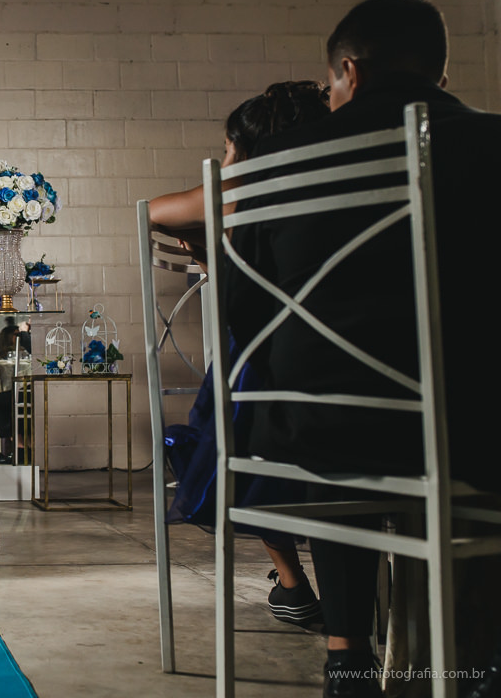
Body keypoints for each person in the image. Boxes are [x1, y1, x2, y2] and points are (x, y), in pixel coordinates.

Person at [227, 0, 501, 697]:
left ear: (348, 71)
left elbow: (246, 309)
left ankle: (348, 662)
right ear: (442, 77)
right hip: (475, 428)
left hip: (314, 428)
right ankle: (477, 662)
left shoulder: (274, 161)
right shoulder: (492, 140)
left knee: (337, 410)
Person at [150, 81, 331, 629]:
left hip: (272, 389)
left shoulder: (240, 191)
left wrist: (214, 237)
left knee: (234, 406)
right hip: (361, 380)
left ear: (251, 149)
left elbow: (154, 210)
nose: (224, 159)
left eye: (229, 149)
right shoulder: (339, 183)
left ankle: (293, 579)